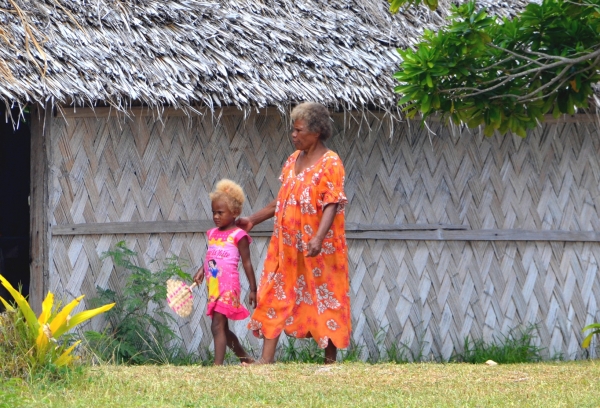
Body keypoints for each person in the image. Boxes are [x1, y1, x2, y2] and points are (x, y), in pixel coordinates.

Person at [237, 102, 351, 364]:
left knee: (324, 295)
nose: (294, 135)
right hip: (287, 247)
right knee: (274, 291)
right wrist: (253, 219)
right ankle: (266, 360)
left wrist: (318, 238)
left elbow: (332, 202)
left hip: (318, 249)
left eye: (299, 130)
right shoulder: (292, 161)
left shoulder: (330, 162)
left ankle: (330, 361)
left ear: (317, 132)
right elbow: (284, 199)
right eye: (293, 130)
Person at [193, 179, 257, 365]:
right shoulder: (212, 233)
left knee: (217, 325)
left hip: (228, 286)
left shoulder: (239, 235)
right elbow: (211, 256)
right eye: (214, 212)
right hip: (214, 285)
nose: (216, 216)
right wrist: (201, 271)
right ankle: (246, 359)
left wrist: (253, 289)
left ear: (235, 213)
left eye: (220, 212)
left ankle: (217, 366)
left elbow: (247, 263)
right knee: (223, 329)